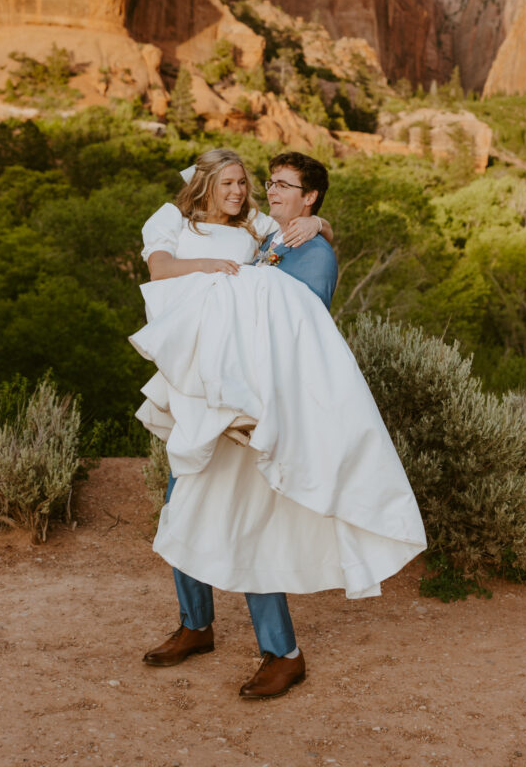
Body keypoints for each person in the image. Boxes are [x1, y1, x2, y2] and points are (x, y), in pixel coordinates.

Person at [130, 149, 426, 700]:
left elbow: (299, 302)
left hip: (248, 405)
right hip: (199, 394)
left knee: (252, 524)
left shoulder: (268, 234)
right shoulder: (181, 221)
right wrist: (220, 270)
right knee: (183, 511)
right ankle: (196, 626)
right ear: (206, 183)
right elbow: (161, 270)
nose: (249, 192)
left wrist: (318, 222)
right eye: (239, 182)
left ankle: (283, 654)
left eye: (259, 183)